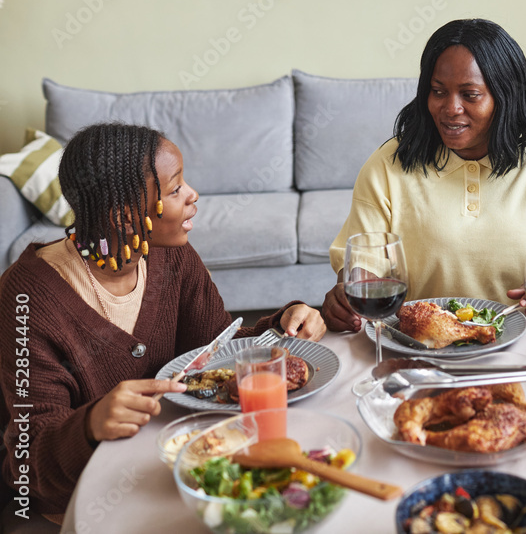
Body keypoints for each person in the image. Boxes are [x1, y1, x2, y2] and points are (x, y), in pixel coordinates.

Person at [0, 123, 326, 520]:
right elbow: (26, 459)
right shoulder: (27, 296)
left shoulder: (169, 255)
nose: (193, 196)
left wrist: (282, 325)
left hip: (179, 468)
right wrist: (90, 424)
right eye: (175, 190)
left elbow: (217, 350)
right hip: (90, 502)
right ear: (124, 217)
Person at [323, 18, 526, 332]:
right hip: (419, 344)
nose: (450, 108)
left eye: (470, 95)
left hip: (522, 340)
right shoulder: (387, 165)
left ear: (504, 97)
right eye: (438, 91)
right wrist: (348, 295)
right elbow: (363, 268)